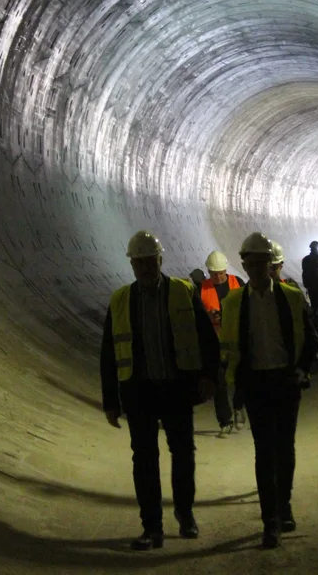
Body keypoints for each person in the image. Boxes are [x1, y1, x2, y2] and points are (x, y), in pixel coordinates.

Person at [101, 230, 220, 551]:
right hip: (139, 393)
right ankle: (151, 527)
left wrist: (210, 376)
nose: (144, 267)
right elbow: (109, 353)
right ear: (132, 264)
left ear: (160, 260)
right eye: (138, 262)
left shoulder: (182, 292)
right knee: (144, 460)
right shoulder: (121, 300)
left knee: (182, 454)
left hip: (176, 389)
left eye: (149, 260)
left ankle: (185, 515)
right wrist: (110, 400)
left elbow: (207, 337)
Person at [221, 232, 318, 549]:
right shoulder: (234, 302)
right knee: (265, 452)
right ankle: (271, 521)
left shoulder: (290, 297)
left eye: (263, 261)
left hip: (284, 380)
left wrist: (301, 370)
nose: (258, 266)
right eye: (252, 261)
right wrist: (234, 385)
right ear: (244, 264)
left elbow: (309, 339)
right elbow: (229, 347)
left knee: (284, 449)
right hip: (256, 384)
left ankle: (284, 505)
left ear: (269, 264)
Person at [199, 250, 243, 435]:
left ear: (226, 270)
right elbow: (196, 315)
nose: (217, 277)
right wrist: (208, 317)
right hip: (215, 343)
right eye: (213, 274)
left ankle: (239, 407)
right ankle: (225, 421)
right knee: (219, 381)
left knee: (242, 378)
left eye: (220, 273)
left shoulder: (237, 283)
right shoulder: (202, 288)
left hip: (236, 340)